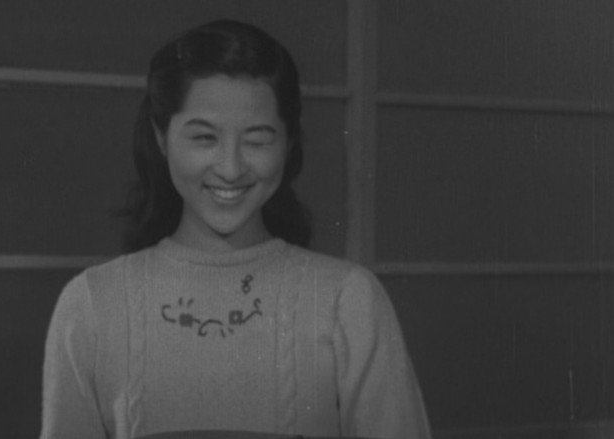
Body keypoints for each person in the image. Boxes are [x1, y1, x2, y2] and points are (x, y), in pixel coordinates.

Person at [41, 19, 431, 439]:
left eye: (257, 141)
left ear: (289, 143)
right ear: (161, 137)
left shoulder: (347, 299)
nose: (230, 168)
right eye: (204, 138)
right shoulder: (91, 304)